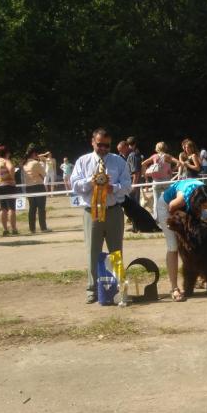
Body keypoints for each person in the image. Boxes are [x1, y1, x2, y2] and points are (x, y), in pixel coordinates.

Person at [70, 128, 131, 304]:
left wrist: (114, 187)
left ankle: (121, 287)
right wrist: (91, 181)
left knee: (116, 252)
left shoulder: (118, 161)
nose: (103, 148)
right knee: (92, 252)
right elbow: (74, 185)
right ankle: (92, 289)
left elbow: (127, 185)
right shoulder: (83, 161)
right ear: (92, 142)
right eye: (100, 144)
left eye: (107, 145)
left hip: (113, 211)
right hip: (92, 212)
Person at [141, 142, 180, 218]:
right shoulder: (168, 156)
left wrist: (145, 174)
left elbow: (143, 164)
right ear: (165, 148)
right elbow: (179, 163)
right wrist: (172, 170)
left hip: (156, 181)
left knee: (156, 201)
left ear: (157, 148)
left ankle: (157, 218)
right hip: (167, 181)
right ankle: (169, 216)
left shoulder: (154, 156)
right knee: (169, 200)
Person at [22, 146, 50, 233]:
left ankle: (32, 228)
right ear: (34, 154)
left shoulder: (24, 164)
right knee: (41, 208)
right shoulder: (35, 163)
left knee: (32, 208)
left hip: (29, 187)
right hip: (38, 186)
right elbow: (44, 174)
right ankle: (43, 227)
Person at [0, 145, 18, 236]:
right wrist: (12, 178)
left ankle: (5, 229)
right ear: (6, 153)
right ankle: (14, 228)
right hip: (8, 185)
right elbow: (11, 168)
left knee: (3, 208)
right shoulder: (6, 161)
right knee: (11, 208)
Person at [125, 137, 141, 206]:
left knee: (133, 205)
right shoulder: (136, 154)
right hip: (134, 182)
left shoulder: (133, 155)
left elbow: (136, 172)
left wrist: (134, 186)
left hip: (133, 182)